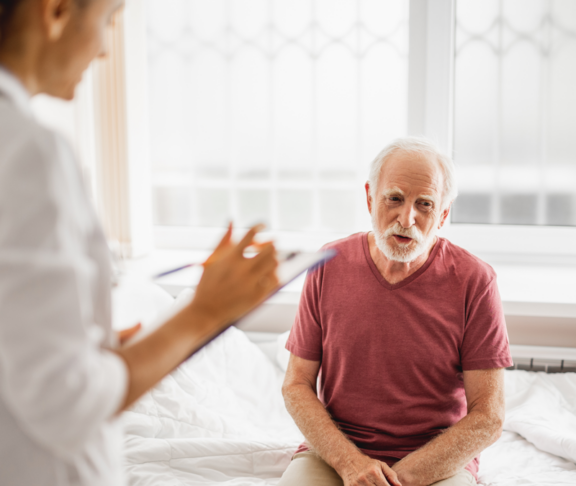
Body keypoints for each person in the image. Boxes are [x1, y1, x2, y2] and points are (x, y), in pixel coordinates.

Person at [0, 0, 278, 484]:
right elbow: (68, 401)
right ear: (57, 11)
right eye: (107, 20)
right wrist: (207, 312)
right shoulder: (28, 153)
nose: (105, 50)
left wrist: (89, 343)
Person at [280, 137, 513, 486]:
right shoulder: (326, 266)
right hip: (336, 453)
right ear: (371, 197)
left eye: (425, 204)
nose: (407, 218)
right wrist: (350, 464)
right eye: (395, 198)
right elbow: (296, 384)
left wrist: (398, 479)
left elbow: (489, 417)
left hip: (435, 462)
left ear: (443, 214)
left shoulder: (475, 281)